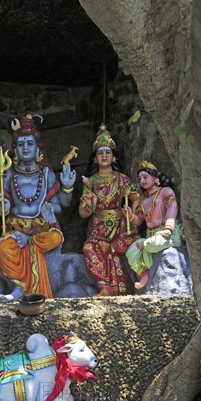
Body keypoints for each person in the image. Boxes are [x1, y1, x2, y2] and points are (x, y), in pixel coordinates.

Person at [0, 113, 76, 301]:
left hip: (42, 229)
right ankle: (18, 289)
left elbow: (62, 204)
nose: (25, 148)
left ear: (38, 149)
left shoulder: (46, 174)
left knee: (53, 238)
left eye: (30, 144)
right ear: (16, 150)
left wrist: (67, 187)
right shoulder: (9, 175)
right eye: (21, 145)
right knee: (6, 246)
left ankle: (27, 282)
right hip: (16, 226)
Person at [79, 124, 139, 296]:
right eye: (100, 153)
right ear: (95, 159)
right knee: (89, 247)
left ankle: (121, 288)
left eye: (108, 152)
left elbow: (138, 199)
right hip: (97, 226)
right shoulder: (90, 181)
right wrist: (90, 204)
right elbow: (83, 213)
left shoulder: (122, 179)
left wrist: (133, 217)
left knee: (114, 249)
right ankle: (104, 286)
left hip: (120, 225)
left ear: (114, 158)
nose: (104, 155)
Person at [123, 160, 181, 289]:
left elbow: (172, 209)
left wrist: (168, 228)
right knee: (131, 250)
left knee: (149, 245)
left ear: (155, 178)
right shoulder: (142, 199)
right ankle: (143, 275)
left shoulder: (166, 192)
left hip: (167, 235)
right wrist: (130, 215)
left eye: (145, 177)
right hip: (151, 236)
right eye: (140, 178)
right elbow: (139, 220)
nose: (142, 181)